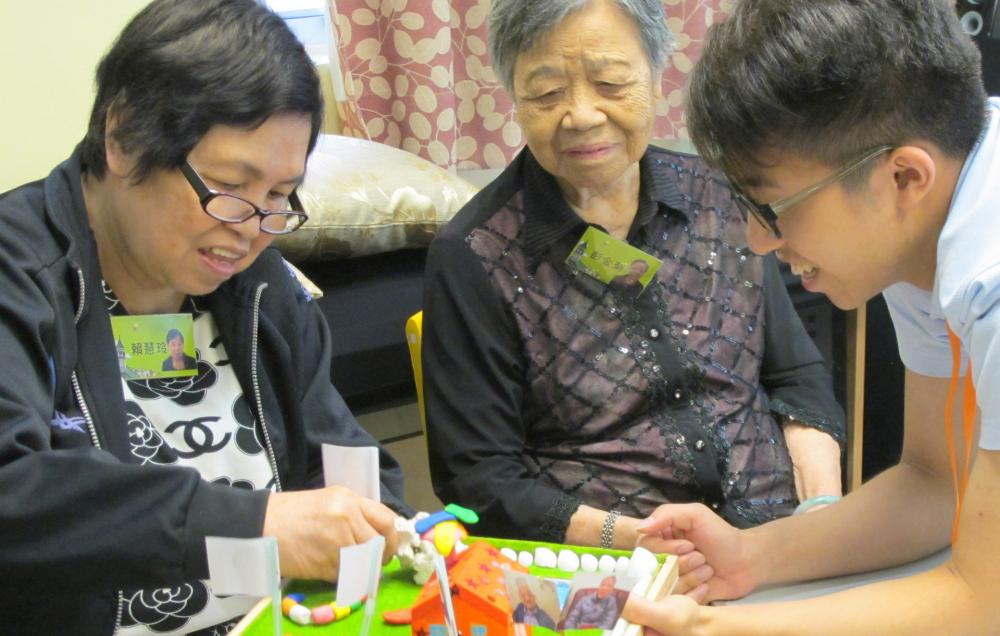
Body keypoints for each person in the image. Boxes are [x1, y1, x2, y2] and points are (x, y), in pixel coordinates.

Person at [0, 1, 412, 633]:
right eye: (227, 186)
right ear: (122, 138)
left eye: (278, 195)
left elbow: (338, 456)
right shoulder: (19, 273)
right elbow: (15, 489)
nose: (250, 231)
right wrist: (257, 523)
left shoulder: (257, 285)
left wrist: (379, 519)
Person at [621, 1, 1000, 633]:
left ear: (904, 176)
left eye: (771, 207)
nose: (757, 240)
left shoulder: (989, 277)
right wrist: (749, 555)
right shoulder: (926, 216)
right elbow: (936, 482)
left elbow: (986, 601)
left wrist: (718, 629)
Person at [422, 0, 845, 552]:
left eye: (610, 83)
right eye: (547, 94)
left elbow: (796, 379)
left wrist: (822, 514)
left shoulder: (722, 195)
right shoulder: (475, 254)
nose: (581, 115)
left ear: (655, 74)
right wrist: (637, 541)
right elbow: (480, 478)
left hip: (782, 541)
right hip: (619, 570)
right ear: (514, 98)